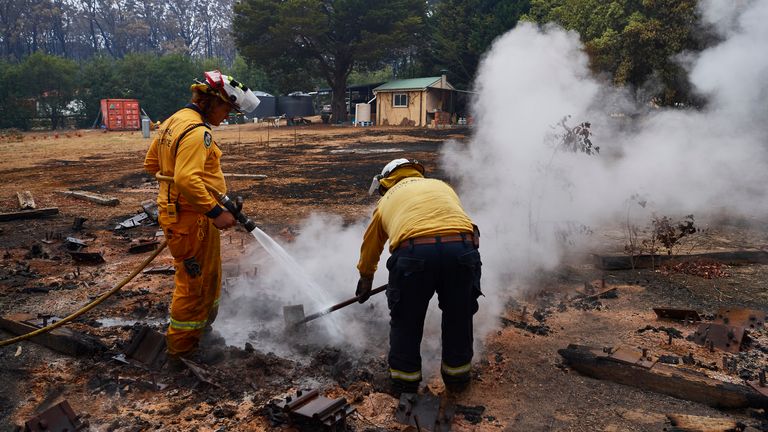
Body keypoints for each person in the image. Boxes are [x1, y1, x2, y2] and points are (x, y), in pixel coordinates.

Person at [144, 70, 260, 365]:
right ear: (211, 101)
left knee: (209, 277)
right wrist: (214, 210)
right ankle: (181, 353)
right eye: (226, 109)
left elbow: (152, 164)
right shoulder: (199, 132)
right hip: (191, 219)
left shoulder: (174, 121)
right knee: (193, 285)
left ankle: (200, 335)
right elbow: (184, 177)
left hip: (190, 215)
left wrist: (206, 198)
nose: (228, 116)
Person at [355, 158, 482, 394]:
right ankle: (459, 380)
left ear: (386, 182)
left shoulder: (387, 200)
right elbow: (464, 223)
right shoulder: (441, 186)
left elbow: (371, 244)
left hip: (414, 256)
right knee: (459, 316)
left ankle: (405, 384)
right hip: (462, 251)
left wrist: (366, 278)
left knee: (407, 320)